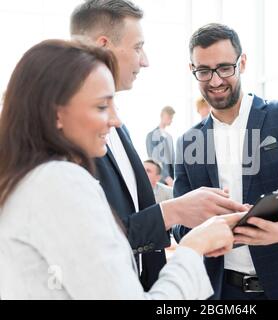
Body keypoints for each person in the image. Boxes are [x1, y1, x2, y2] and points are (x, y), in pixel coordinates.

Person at [0, 39, 240, 300]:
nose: (115, 120)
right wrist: (196, 246)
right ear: (55, 113)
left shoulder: (23, 180)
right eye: (102, 106)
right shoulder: (59, 181)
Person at [70, 0, 247, 290]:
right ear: (104, 46)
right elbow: (94, 240)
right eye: (138, 46)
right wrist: (175, 213)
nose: (145, 60)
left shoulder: (117, 125)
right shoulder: (72, 134)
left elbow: (129, 218)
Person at [173, 23, 278, 300]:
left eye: (225, 68)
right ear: (192, 71)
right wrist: (204, 225)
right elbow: (179, 223)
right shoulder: (187, 142)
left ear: (242, 63)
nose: (215, 81)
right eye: (204, 71)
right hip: (222, 290)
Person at [146, 106, 175, 186]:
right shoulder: (151, 135)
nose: (171, 120)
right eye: (169, 117)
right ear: (162, 116)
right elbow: (154, 160)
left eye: (172, 117)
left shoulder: (169, 137)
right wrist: (166, 177)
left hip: (172, 179)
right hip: (161, 179)